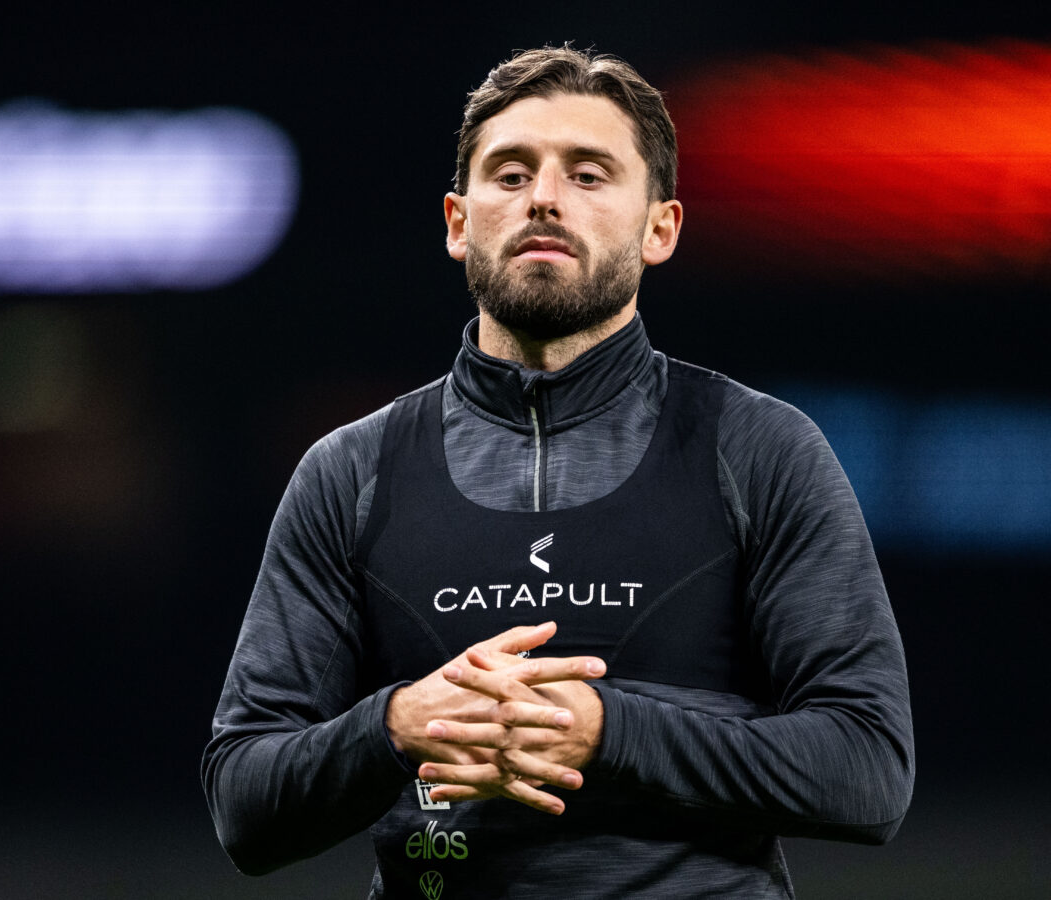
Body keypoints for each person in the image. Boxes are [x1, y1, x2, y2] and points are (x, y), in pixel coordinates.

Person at [202, 46, 914, 898]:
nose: (543, 197)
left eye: (588, 174)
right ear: (458, 223)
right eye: (510, 174)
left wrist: (609, 732)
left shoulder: (759, 448)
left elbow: (869, 770)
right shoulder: (350, 473)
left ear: (660, 228)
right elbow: (243, 802)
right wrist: (397, 724)